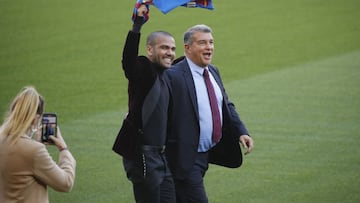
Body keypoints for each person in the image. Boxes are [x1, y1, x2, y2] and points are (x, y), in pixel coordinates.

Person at [165, 24, 254, 203]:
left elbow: (225, 105)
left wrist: (241, 131)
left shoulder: (213, 71)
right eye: (202, 43)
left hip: (206, 154)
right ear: (187, 48)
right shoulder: (173, 76)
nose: (209, 47)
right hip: (185, 157)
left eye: (211, 42)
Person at [112, 3, 176, 203]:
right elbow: (128, 62)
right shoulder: (143, 70)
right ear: (150, 49)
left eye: (173, 49)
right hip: (143, 157)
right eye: (164, 47)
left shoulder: (169, 74)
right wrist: (137, 25)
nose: (170, 52)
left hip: (163, 157)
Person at [0, 86, 76, 203]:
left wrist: (34, 144)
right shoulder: (34, 151)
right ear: (36, 119)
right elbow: (66, 183)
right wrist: (63, 149)